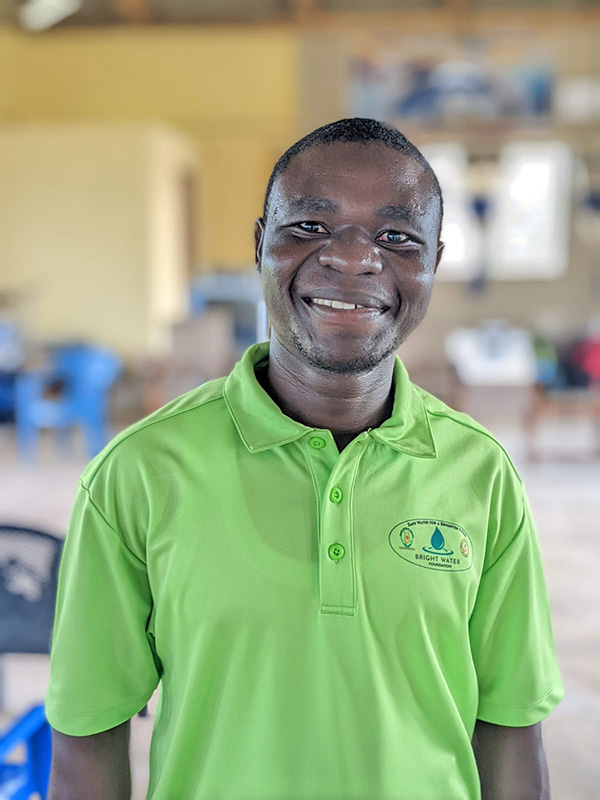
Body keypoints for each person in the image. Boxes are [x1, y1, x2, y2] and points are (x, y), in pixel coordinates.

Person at [46, 118, 563, 800]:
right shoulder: (140, 473)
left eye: (396, 237)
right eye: (311, 228)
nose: (353, 259)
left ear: (434, 260)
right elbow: (86, 737)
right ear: (262, 245)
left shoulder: (482, 474)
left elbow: (510, 730)